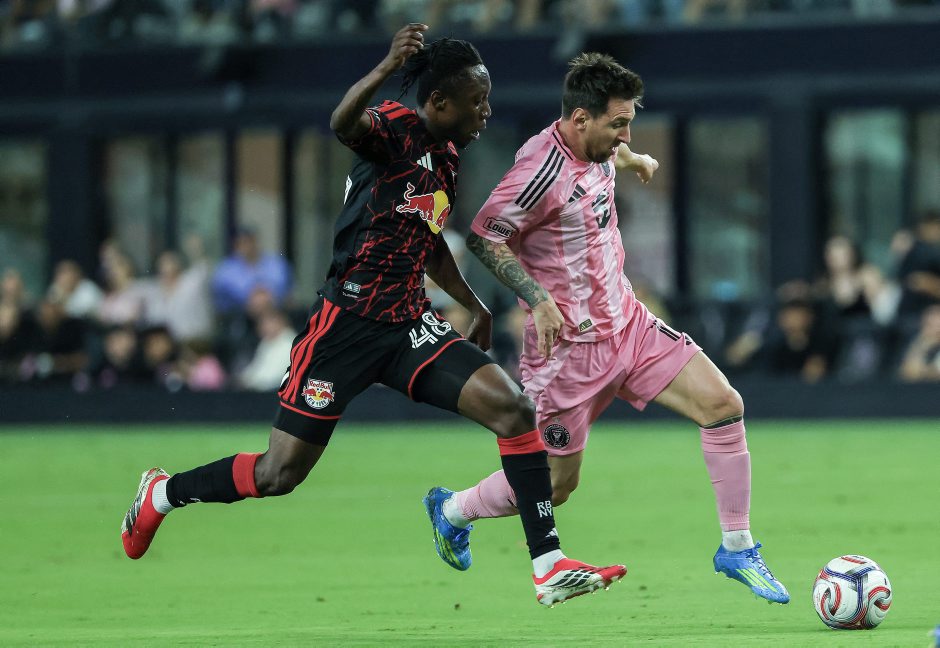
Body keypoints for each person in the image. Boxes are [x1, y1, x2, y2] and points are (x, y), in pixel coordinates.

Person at [121, 23, 624, 607]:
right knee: (278, 474)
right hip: (345, 327)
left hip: (408, 324)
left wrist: (472, 303)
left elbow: (429, 241)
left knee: (514, 410)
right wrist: (386, 66)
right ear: (440, 102)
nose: (486, 111)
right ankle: (163, 494)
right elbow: (342, 123)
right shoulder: (393, 129)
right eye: (477, 100)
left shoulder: (447, 156)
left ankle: (548, 565)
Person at [423, 52, 790, 604]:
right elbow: (483, 236)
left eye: (629, 122)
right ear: (579, 119)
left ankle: (737, 547)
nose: (625, 133)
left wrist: (632, 157)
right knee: (555, 485)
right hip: (566, 353)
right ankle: (453, 509)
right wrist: (537, 299)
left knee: (723, 404)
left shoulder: (597, 145)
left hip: (628, 325)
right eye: (618, 123)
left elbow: (608, 153)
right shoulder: (537, 171)